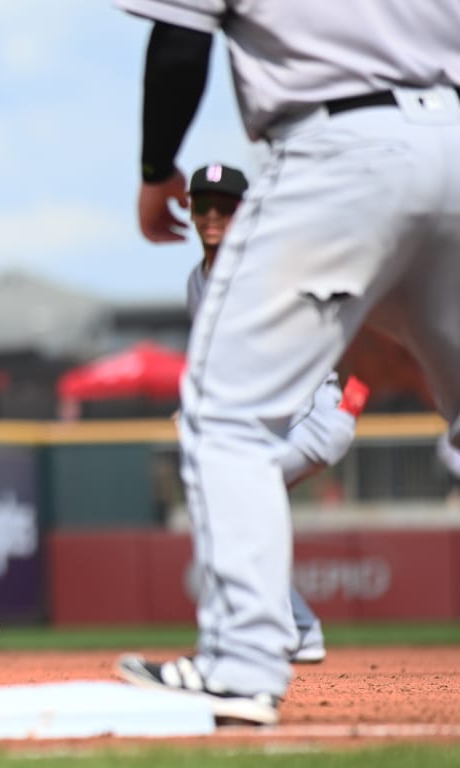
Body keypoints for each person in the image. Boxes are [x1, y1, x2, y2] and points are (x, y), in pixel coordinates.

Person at [116, 1, 460, 726]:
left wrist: (156, 168)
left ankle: (243, 664)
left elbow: (181, 39)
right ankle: (285, 628)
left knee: (224, 421)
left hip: (339, 146)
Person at [183, 162, 372, 667]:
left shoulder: (271, 269)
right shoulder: (198, 284)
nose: (212, 215)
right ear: (188, 208)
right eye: (203, 204)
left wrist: (353, 404)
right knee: (233, 511)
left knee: (228, 502)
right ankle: (299, 628)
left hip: (316, 421)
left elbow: (358, 317)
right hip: (271, 429)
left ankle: (287, 629)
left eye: (225, 206)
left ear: (246, 212)